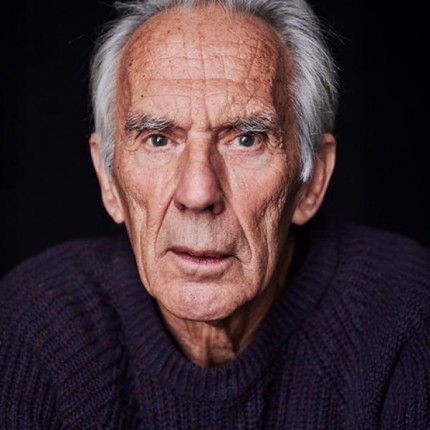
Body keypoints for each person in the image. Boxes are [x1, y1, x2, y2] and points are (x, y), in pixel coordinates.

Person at [0, 0, 429, 428]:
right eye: (157, 139)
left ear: (312, 179)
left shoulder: (407, 314)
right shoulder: (34, 326)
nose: (198, 193)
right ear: (108, 178)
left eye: (246, 139)